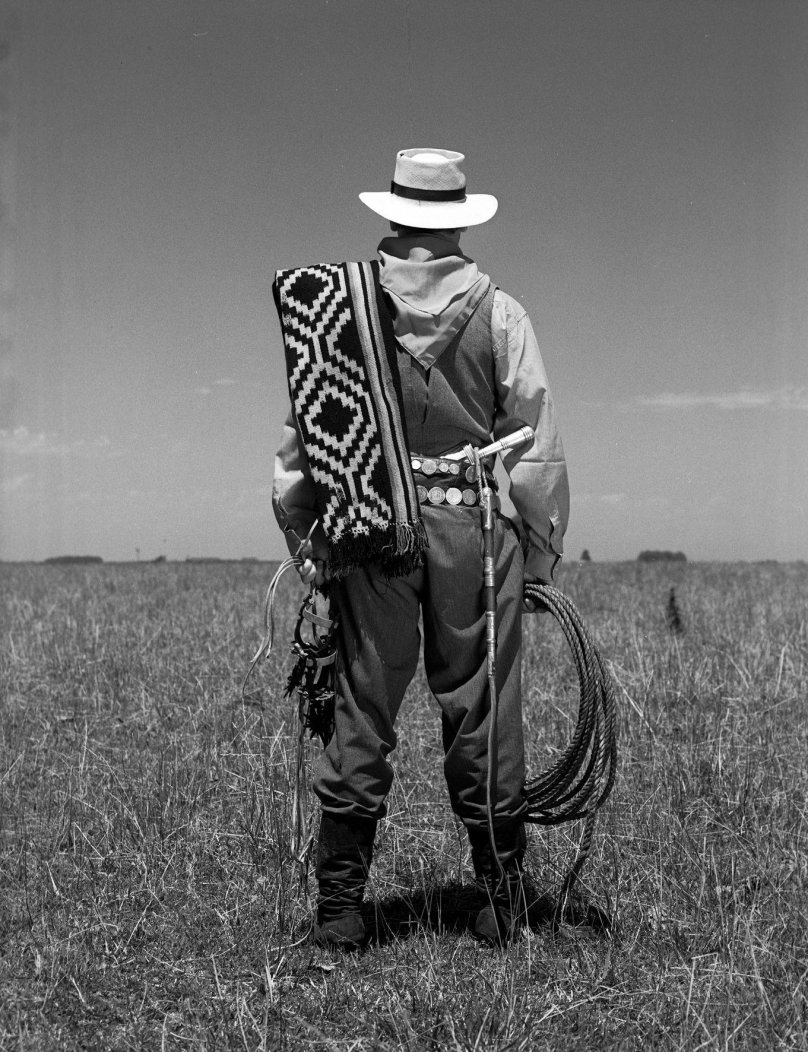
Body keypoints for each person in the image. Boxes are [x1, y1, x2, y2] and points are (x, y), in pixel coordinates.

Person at [272, 148, 569, 947]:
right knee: (484, 706)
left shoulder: (344, 308)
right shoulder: (502, 312)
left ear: (392, 215)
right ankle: (502, 899)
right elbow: (533, 447)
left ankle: (340, 910)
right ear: (462, 219)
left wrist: (308, 534)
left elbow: (307, 438)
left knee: (361, 703)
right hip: (476, 534)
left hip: (375, 529)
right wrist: (538, 551)